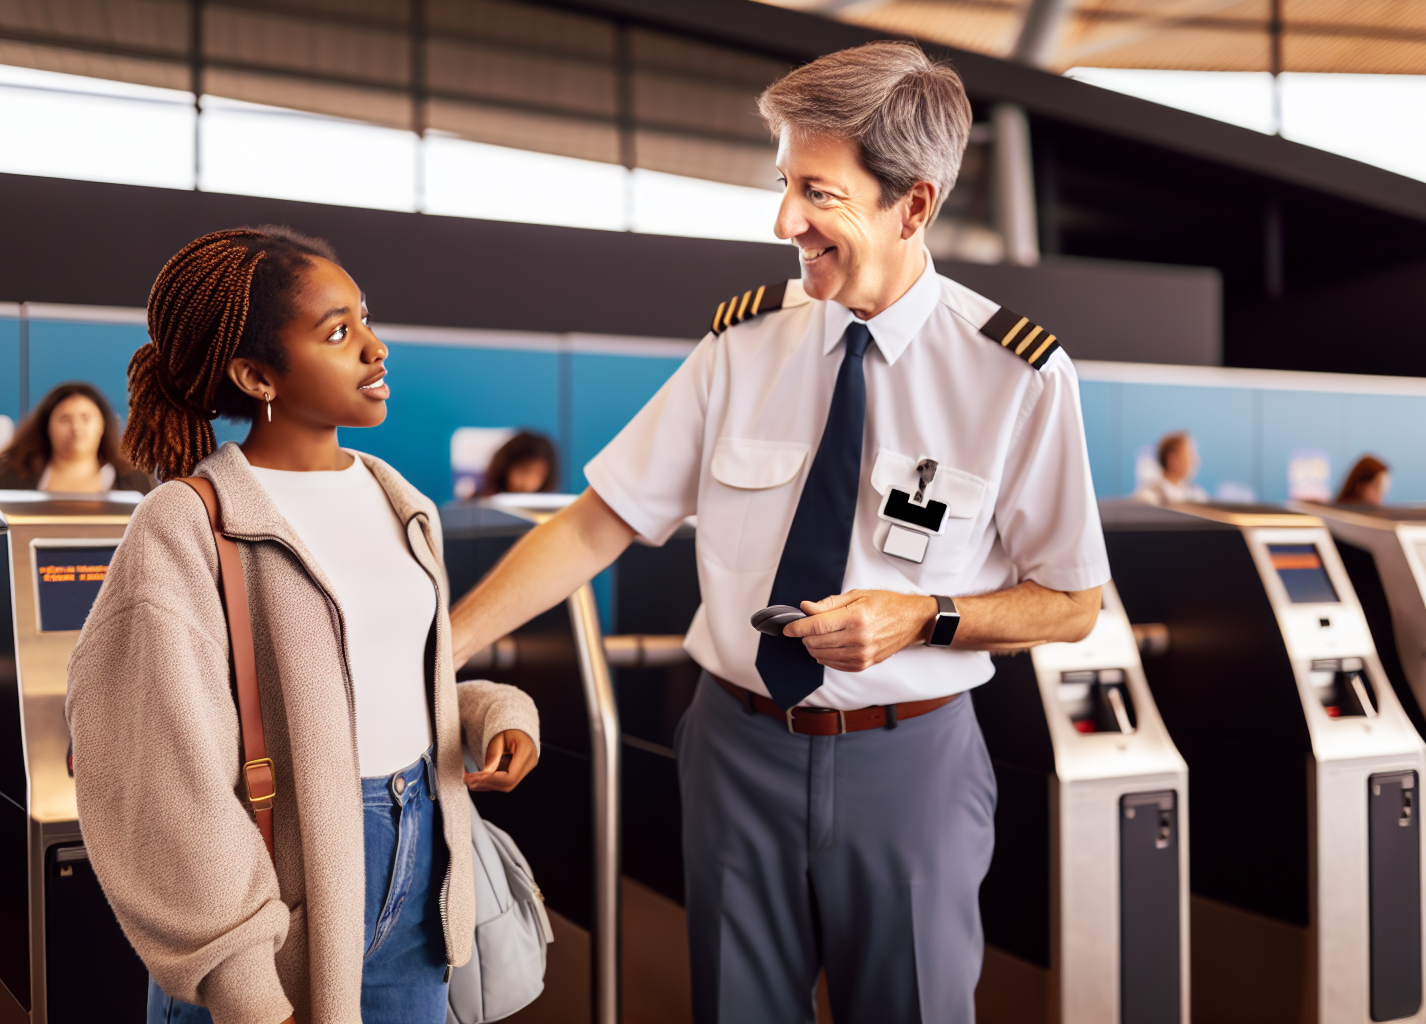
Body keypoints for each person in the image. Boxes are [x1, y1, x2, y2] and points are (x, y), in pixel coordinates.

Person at [449, 42, 1107, 1023]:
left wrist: (920, 616)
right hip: (733, 749)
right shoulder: (741, 344)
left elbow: (1071, 602)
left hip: (911, 764)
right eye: (781, 184)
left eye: (817, 192)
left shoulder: (1014, 375)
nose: (783, 221)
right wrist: (439, 648)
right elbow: (598, 522)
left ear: (912, 206)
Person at [64, 226, 543, 1024]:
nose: (375, 347)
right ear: (256, 375)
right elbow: (158, 775)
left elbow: (379, 676)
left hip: (420, 860)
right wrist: (244, 984)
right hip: (276, 885)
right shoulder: (188, 524)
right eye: (338, 332)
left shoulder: (401, 501)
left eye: (365, 318)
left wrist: (490, 714)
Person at [0, 381, 156, 493]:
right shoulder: (10, 478)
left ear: (102, 426)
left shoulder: (133, 483)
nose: (76, 427)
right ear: (47, 426)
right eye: (65, 419)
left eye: (85, 418)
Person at [1132, 430, 1208, 504]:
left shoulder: (1194, 494)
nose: (1195, 460)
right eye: (1190, 454)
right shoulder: (1149, 496)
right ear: (1173, 459)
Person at [480, 429, 560, 494]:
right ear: (505, 467)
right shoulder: (483, 501)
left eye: (539, 475)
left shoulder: (548, 511)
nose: (528, 483)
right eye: (523, 471)